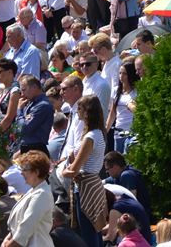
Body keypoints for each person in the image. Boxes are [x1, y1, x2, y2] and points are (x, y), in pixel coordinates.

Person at [62, 95, 108, 247]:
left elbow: (74, 170)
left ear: (87, 112)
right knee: (95, 231)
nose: (77, 112)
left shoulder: (90, 137)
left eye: (80, 109)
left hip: (85, 187)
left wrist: (62, 171)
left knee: (88, 233)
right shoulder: (99, 132)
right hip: (92, 185)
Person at [3, 149, 55, 247]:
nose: (21, 173)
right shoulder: (33, 191)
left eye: (24, 169)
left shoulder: (42, 194)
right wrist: (7, 240)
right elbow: (15, 227)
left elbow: (25, 228)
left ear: (36, 172)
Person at [104, 151, 151, 215]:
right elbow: (102, 182)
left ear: (115, 166)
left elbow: (131, 204)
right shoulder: (119, 174)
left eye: (107, 169)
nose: (107, 172)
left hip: (138, 218)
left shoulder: (127, 176)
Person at [18, 75, 55, 156]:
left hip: (35, 149)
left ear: (34, 87)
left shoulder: (42, 105)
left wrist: (20, 111)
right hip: (28, 147)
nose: (22, 94)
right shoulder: (31, 102)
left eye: (24, 90)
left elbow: (24, 128)